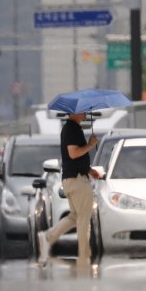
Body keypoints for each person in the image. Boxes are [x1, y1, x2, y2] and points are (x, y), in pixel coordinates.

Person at [37, 112, 99, 266]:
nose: (85, 113)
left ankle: (47, 237)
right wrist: (90, 144)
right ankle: (84, 257)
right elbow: (73, 153)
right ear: (74, 112)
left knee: (74, 216)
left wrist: (89, 170)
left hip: (73, 178)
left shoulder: (71, 128)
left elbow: (74, 157)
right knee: (84, 218)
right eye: (82, 110)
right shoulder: (72, 129)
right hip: (78, 181)